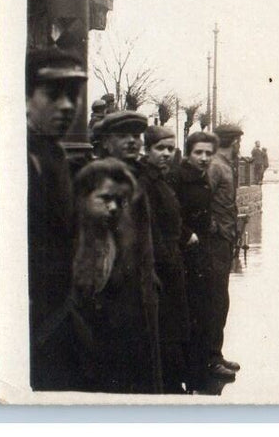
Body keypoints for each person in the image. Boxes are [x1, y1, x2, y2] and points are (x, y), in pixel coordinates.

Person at [26, 48, 88, 390]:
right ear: (25, 97)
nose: (67, 106)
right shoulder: (19, 158)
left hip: (58, 318)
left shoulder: (53, 153)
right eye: (53, 94)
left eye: (73, 95)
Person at [69, 158, 157, 393]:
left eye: (119, 200)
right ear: (82, 197)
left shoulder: (117, 238)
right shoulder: (66, 241)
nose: (114, 207)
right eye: (105, 199)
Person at [91, 110, 162, 393]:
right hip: (115, 296)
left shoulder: (138, 176)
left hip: (142, 291)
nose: (133, 141)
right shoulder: (100, 181)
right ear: (106, 143)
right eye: (123, 136)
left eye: (136, 136)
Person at [142, 125, 193, 393]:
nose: (165, 154)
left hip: (172, 262)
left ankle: (174, 382)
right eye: (159, 148)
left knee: (174, 329)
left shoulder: (161, 180)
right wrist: (168, 259)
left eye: (169, 149)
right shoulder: (146, 182)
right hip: (162, 267)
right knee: (165, 331)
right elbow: (151, 227)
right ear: (147, 150)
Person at [171, 130, 221, 391]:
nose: (203, 158)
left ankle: (200, 370)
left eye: (208, 154)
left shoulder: (203, 179)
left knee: (203, 312)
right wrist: (185, 235)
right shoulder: (177, 178)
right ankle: (190, 376)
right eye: (198, 153)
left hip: (201, 254)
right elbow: (169, 214)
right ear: (188, 153)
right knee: (188, 315)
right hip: (184, 256)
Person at [206, 124, 244, 381]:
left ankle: (215, 355)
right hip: (217, 241)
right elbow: (204, 201)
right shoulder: (217, 166)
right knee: (215, 300)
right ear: (234, 142)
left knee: (221, 300)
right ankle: (211, 359)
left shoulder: (224, 165)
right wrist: (216, 228)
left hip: (226, 239)